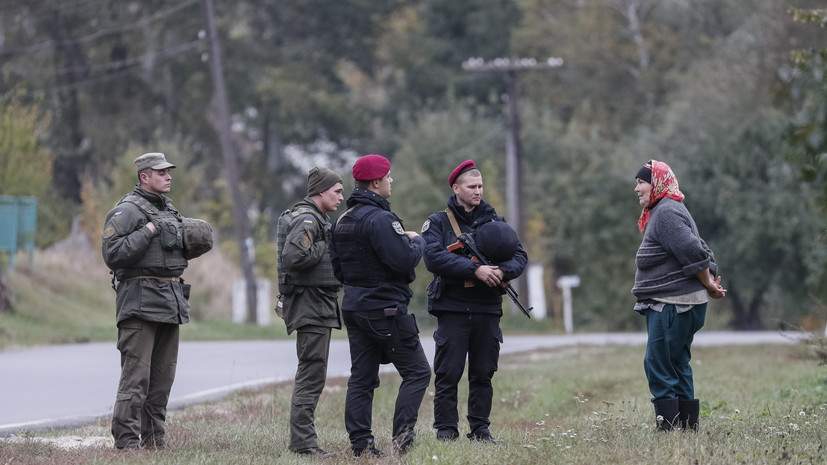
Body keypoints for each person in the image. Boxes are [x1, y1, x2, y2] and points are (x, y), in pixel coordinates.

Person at [102, 152, 212, 449]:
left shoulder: (169, 211)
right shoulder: (126, 211)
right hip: (139, 303)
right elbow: (113, 254)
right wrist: (149, 230)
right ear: (144, 177)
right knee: (136, 378)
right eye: (161, 172)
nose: (168, 176)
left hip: (169, 301)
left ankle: (154, 439)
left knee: (162, 378)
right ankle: (126, 443)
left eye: (168, 172)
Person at [328, 154, 431, 457]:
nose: (391, 181)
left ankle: (361, 446)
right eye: (388, 177)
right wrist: (417, 242)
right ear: (376, 182)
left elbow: (337, 270)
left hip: (355, 307)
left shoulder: (343, 221)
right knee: (418, 372)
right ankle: (402, 442)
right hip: (385, 309)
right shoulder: (382, 220)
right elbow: (403, 260)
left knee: (362, 378)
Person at [421, 160, 528, 443]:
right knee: (448, 372)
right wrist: (475, 269)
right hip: (453, 307)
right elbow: (432, 257)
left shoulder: (496, 222)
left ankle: (480, 430)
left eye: (480, 186)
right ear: (457, 189)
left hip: (487, 308)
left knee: (483, 373)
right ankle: (446, 430)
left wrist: (503, 272)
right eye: (472, 187)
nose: (478, 191)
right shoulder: (438, 222)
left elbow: (520, 256)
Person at [632, 160, 726, 431]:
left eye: (641, 182)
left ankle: (668, 428)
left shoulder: (666, 213)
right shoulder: (670, 208)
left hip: (672, 306)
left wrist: (708, 282)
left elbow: (693, 251)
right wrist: (708, 283)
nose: (636, 188)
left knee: (658, 363)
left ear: (657, 183)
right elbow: (698, 249)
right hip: (680, 306)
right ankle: (687, 426)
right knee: (677, 363)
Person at [276, 166, 344, 457]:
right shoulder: (307, 219)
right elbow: (294, 257)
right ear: (320, 191)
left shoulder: (315, 218)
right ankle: (303, 444)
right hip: (310, 303)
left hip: (316, 302)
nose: (342, 196)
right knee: (311, 373)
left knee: (313, 371)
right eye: (337, 191)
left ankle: (303, 440)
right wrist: (323, 245)